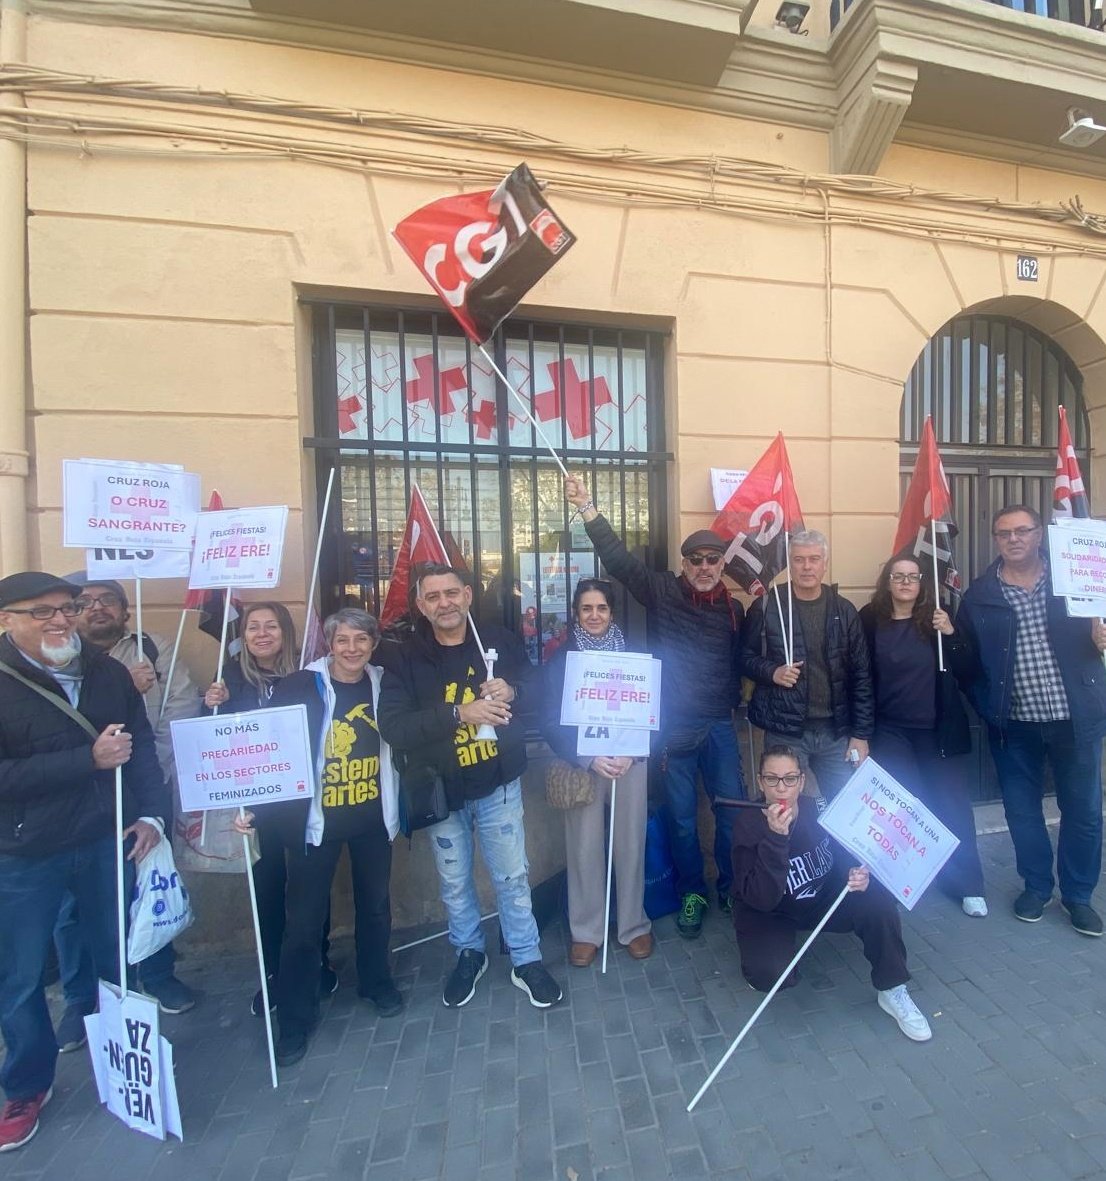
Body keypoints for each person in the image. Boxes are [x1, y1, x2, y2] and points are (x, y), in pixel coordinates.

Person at [0, 572, 167, 1152]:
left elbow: (140, 744)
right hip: (24, 853)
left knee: (115, 959)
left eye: (65, 609)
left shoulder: (107, 672)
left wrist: (152, 816)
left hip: (106, 839)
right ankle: (26, 1085)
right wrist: (85, 760)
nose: (60, 620)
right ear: (6, 620)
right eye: (40, 612)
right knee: (19, 979)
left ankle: (122, 1064)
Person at [565, 474, 745, 940]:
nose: (704, 566)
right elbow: (620, 561)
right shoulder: (662, 591)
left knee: (731, 813)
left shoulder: (735, 610)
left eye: (712, 559)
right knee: (683, 821)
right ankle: (693, 892)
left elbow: (745, 660)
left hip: (720, 725)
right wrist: (588, 508)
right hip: (674, 730)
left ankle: (730, 886)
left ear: (723, 563)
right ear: (683, 563)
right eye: (695, 559)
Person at [378, 564, 563, 1009]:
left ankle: (526, 958)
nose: (444, 603)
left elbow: (538, 688)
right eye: (433, 597)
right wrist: (462, 713)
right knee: (455, 881)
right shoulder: (403, 655)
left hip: (496, 783)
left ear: (466, 595)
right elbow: (393, 726)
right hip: (440, 792)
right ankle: (469, 953)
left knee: (512, 876)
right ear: (421, 605)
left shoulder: (496, 638)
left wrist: (514, 691)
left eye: (451, 593)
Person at [238, 608, 402, 1067]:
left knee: (375, 907)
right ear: (329, 644)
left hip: (372, 818)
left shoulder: (383, 682)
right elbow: (265, 747)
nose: (352, 649)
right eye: (343, 640)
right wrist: (250, 807)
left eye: (361, 641)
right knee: (304, 923)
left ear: (373, 644)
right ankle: (294, 1017)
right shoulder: (297, 686)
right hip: (315, 824)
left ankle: (376, 983)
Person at [49, 574, 199, 1040]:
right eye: (85, 601)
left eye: (107, 601)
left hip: (139, 795)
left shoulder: (154, 650)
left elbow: (180, 712)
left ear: (124, 609)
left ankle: (157, 975)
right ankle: (82, 999)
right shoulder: (50, 663)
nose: (97, 609)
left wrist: (152, 798)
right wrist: (124, 688)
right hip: (69, 807)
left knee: (147, 890)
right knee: (72, 910)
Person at [957, 504, 1106, 936]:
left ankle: (1078, 896)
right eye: (1004, 533)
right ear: (995, 540)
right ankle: (1037, 887)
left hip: (1074, 720)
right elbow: (968, 665)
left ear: (1039, 535)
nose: (1014, 539)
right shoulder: (980, 595)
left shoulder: (1075, 581)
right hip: (1014, 725)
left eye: (1022, 530)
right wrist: (987, 706)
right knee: (1022, 814)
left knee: (1083, 814)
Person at [730, 745, 931, 1042]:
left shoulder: (818, 808)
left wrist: (856, 873)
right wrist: (776, 838)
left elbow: (841, 855)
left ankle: (893, 988)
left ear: (801, 781)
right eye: (772, 779)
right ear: (760, 782)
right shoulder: (746, 824)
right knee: (770, 976)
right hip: (771, 911)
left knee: (877, 899)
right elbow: (761, 898)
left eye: (789, 778)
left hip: (819, 896)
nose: (781, 788)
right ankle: (767, 957)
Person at [204, 602, 336, 1014]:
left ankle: (317, 961)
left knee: (311, 891)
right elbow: (210, 745)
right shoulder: (228, 681)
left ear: (286, 632)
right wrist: (211, 706)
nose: (262, 634)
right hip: (255, 809)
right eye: (253, 627)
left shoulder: (310, 676)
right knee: (267, 891)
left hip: (305, 801)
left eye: (271, 626)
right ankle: (274, 973)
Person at [858, 555, 988, 917]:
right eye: (897, 576)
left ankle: (967, 886)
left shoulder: (937, 617)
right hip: (890, 731)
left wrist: (952, 634)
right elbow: (860, 674)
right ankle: (901, 880)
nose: (904, 582)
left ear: (921, 582)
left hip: (938, 730)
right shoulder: (870, 619)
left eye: (912, 577)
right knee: (898, 811)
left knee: (951, 806)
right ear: (887, 581)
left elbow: (968, 669)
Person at [540, 579, 653, 966]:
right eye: (586, 609)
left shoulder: (637, 656)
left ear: (611, 612)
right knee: (584, 847)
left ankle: (633, 926)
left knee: (630, 843)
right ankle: (586, 931)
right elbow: (549, 720)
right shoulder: (562, 659)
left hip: (629, 762)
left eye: (601, 608)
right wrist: (586, 757)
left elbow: (653, 710)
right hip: (584, 764)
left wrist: (632, 755)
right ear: (576, 613)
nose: (594, 615)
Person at [742, 529, 874, 800]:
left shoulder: (844, 610)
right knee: (785, 807)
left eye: (814, 559)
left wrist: (860, 734)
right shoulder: (768, 606)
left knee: (845, 806)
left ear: (825, 563)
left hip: (835, 733)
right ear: (790, 563)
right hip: (785, 731)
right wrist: (772, 672)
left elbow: (861, 676)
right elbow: (743, 658)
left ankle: (830, 847)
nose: (806, 566)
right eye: (799, 559)